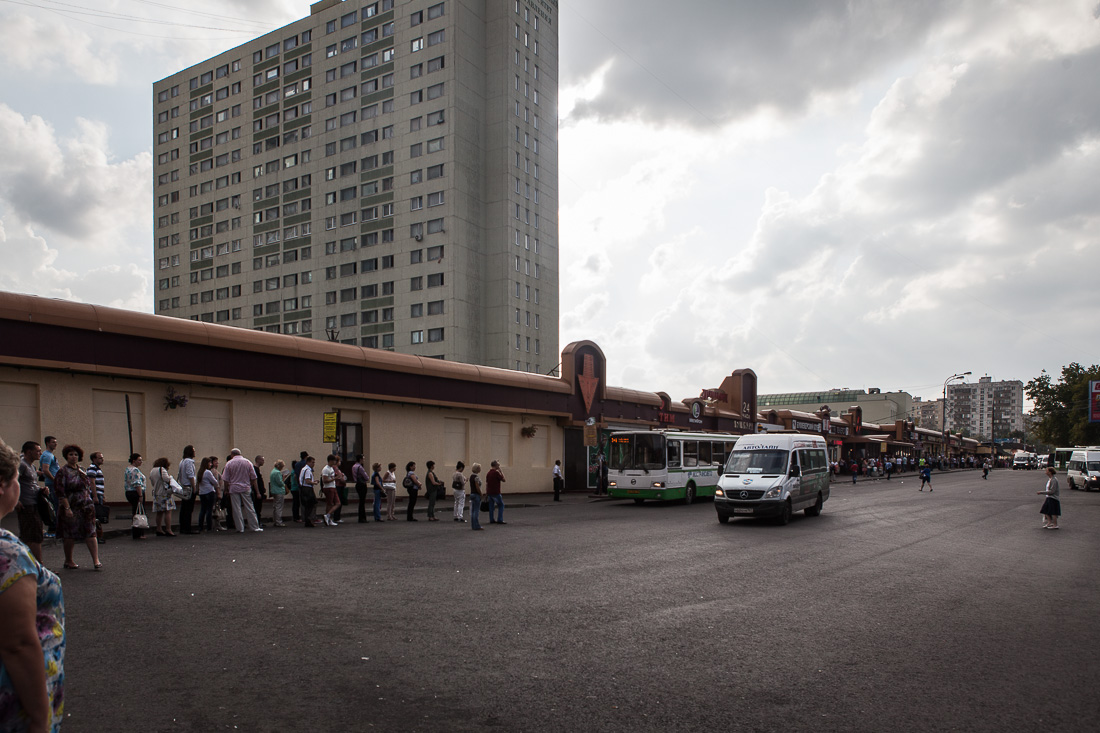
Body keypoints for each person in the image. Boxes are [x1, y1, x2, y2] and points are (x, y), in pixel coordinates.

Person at [0, 437, 66, 733]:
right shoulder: (8, 554)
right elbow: (17, 644)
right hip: (13, 701)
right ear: (3, 484)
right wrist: (40, 719)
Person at [55, 444, 102, 570]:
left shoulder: (82, 470)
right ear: (66, 456)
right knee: (69, 534)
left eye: (75, 454)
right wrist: (67, 508)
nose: (73, 457)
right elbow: (60, 492)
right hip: (71, 506)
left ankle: (96, 560)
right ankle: (69, 560)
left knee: (91, 532)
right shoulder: (62, 472)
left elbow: (87, 486)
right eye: (71, 454)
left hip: (86, 506)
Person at [16, 441, 47, 562]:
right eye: (38, 451)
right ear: (29, 452)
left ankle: (33, 564)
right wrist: (17, 500)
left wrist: (42, 489)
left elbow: (31, 485)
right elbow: (13, 482)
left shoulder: (32, 466)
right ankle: (38, 566)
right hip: (26, 504)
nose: (40, 453)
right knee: (33, 536)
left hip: (34, 503)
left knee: (34, 534)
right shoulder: (22, 465)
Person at [222, 449, 262, 533]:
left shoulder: (229, 463)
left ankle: (240, 528)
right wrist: (250, 485)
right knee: (250, 507)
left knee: (236, 509)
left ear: (232, 454)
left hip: (234, 487)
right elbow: (254, 477)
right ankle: (254, 526)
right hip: (246, 487)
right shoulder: (247, 462)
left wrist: (226, 489)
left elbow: (225, 479)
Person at [149, 457, 177, 536]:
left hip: (156, 493)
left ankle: (159, 528)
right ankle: (168, 529)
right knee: (168, 511)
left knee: (159, 512)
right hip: (164, 493)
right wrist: (170, 476)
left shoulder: (152, 471)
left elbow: (152, 482)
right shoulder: (162, 470)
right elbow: (167, 480)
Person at [39, 435, 60, 538]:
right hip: (52, 484)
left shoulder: (49, 455)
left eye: (56, 442)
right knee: (54, 506)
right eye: (53, 442)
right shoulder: (47, 455)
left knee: (56, 505)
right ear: (47, 443)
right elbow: (45, 470)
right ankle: (53, 528)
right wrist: (55, 480)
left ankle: (54, 527)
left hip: (52, 483)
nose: (55, 444)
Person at [124, 453, 147, 540]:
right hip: (135, 492)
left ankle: (137, 532)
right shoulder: (135, 470)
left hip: (129, 492)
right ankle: (138, 532)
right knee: (139, 512)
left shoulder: (128, 469)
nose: (141, 462)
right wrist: (140, 495)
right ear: (134, 461)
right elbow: (137, 483)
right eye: (139, 460)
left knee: (135, 511)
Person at [86, 451, 107, 545]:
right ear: (94, 459)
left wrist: (102, 495)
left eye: (102, 458)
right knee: (95, 516)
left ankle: (98, 535)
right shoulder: (92, 468)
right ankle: (95, 535)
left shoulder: (97, 469)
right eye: (99, 458)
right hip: (95, 494)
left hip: (99, 494)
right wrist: (95, 496)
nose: (102, 459)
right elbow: (92, 482)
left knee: (97, 516)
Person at [176, 445, 197, 535]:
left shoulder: (182, 461)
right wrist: (194, 487)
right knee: (189, 508)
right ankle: (187, 527)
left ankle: (183, 527)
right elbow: (190, 475)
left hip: (184, 486)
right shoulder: (189, 462)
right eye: (193, 450)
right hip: (189, 486)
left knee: (184, 508)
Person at [196, 457, 219, 532]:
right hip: (209, 491)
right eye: (210, 463)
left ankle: (200, 526)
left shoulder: (200, 472)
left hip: (202, 492)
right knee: (209, 509)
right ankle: (209, 526)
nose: (211, 464)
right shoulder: (208, 472)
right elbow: (215, 482)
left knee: (203, 509)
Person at [320, 454, 341, 527]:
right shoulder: (326, 469)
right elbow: (325, 480)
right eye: (334, 460)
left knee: (337, 503)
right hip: (328, 487)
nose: (335, 462)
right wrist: (335, 478)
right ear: (330, 461)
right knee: (330, 503)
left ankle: (328, 516)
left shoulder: (331, 468)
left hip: (333, 486)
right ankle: (328, 517)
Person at [298, 456, 318, 527]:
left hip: (304, 488)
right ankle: (309, 520)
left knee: (307, 505)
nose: (313, 464)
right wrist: (314, 483)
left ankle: (307, 520)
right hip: (307, 488)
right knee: (311, 504)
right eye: (312, 462)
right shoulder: (308, 470)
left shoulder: (304, 469)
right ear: (308, 462)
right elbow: (307, 480)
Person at [486, 460, 506, 524]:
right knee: (501, 505)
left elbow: (487, 483)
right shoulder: (496, 473)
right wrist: (501, 472)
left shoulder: (488, 473)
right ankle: (500, 519)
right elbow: (503, 480)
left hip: (489, 492)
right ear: (495, 465)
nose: (499, 466)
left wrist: (487, 492)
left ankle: (491, 519)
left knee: (491, 506)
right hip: (496, 492)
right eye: (498, 465)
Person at [290, 451, 307, 523]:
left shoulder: (297, 466)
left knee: (296, 503)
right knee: (302, 502)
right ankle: (302, 517)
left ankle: (296, 517)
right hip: (301, 486)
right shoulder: (305, 465)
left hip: (295, 487)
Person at [269, 460, 287, 527]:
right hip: (279, 491)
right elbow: (280, 483)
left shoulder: (273, 471)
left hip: (274, 490)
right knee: (279, 507)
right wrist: (283, 478)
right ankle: (278, 521)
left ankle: (275, 520)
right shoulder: (277, 472)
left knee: (276, 506)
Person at [352, 454, 370, 523]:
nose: (364, 460)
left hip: (357, 484)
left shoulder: (354, 466)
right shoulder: (360, 467)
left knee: (361, 501)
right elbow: (366, 477)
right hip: (362, 484)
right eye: (363, 459)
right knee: (362, 501)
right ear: (360, 459)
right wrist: (367, 478)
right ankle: (362, 517)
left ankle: (361, 517)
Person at [331, 459, 348, 524]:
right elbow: (340, 478)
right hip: (338, 486)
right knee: (338, 501)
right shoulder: (335, 469)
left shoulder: (336, 469)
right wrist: (344, 480)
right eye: (339, 461)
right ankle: (336, 517)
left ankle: (337, 517)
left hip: (339, 486)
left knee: (338, 501)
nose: (340, 462)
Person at [468, 462, 483, 530]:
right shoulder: (476, 477)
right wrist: (480, 493)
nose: (480, 469)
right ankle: (476, 525)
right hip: (476, 494)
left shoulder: (471, 476)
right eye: (479, 468)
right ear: (477, 469)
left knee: (473, 510)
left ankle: (473, 525)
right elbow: (477, 487)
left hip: (472, 494)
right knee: (476, 511)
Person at [252, 455, 266, 524]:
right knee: (257, 507)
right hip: (257, 491)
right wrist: (258, 492)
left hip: (259, 491)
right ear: (258, 460)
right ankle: (256, 522)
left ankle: (258, 521)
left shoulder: (257, 469)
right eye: (262, 460)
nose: (263, 462)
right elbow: (255, 481)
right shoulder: (255, 469)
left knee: (258, 507)